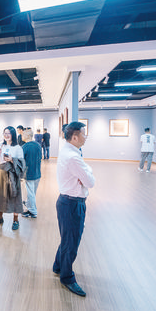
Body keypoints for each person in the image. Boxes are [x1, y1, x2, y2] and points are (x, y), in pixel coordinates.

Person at [53, 121, 95, 297]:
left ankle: (58, 266)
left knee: (67, 239)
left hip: (67, 202)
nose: (86, 137)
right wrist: (87, 172)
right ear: (75, 137)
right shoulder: (73, 157)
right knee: (71, 242)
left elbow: (85, 177)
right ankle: (67, 277)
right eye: (84, 134)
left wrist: (85, 172)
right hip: (72, 204)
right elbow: (90, 182)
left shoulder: (68, 151)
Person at [0, 126, 25, 230]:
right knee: (0, 196)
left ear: (13, 134)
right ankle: (0, 217)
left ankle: (15, 220)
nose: (6, 135)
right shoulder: (2, 145)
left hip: (12, 174)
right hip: (1, 173)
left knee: (15, 196)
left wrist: (12, 160)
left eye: (8, 133)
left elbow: (22, 163)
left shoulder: (18, 148)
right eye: (5, 133)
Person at [21, 129, 42, 219]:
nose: (22, 136)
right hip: (37, 172)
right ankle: (29, 206)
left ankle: (33, 211)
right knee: (32, 192)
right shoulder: (38, 145)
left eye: (23, 135)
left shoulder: (24, 147)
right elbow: (40, 157)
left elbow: (21, 161)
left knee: (30, 193)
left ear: (26, 136)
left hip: (29, 173)